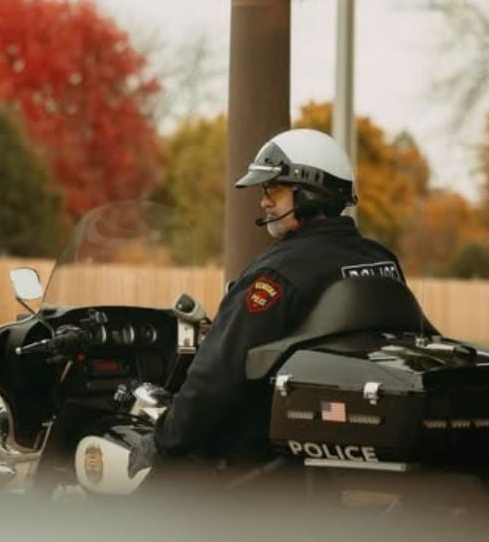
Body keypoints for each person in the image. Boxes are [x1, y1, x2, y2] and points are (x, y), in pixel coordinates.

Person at [140, 128, 409, 472]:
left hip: (258, 459)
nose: (264, 200)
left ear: (310, 193)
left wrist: (162, 440)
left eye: (274, 189)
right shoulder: (380, 259)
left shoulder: (279, 274)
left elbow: (216, 377)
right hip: (344, 442)